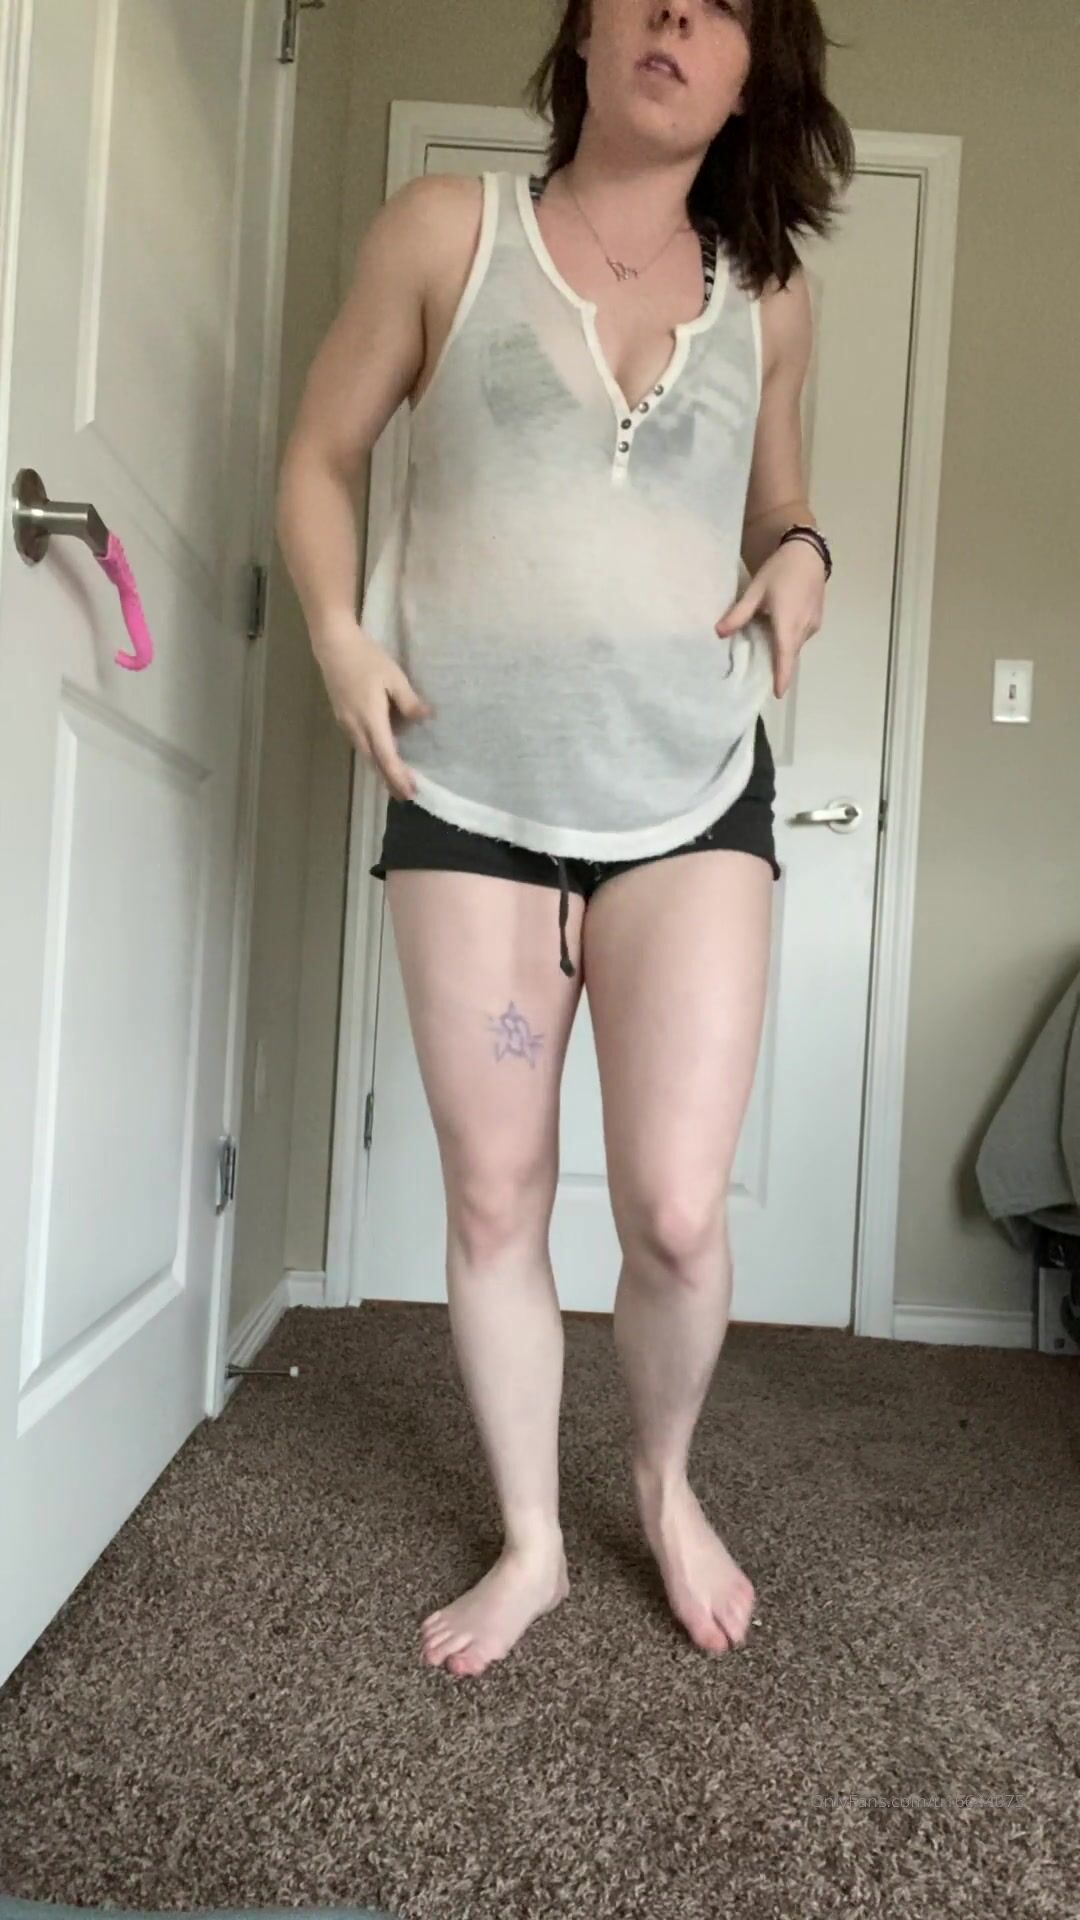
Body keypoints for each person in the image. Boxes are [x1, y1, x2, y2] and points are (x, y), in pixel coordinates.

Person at [276, 0, 854, 1677]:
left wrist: (803, 553)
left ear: (752, 78)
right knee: (496, 1192)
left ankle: (662, 1483)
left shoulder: (773, 298)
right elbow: (319, 455)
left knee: (673, 1207)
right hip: (470, 799)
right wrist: (336, 631)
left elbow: (779, 502)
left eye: (726, 5)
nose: (679, 14)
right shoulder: (442, 231)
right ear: (586, 32)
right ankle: (532, 1537)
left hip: (690, 791)